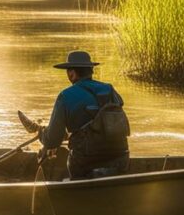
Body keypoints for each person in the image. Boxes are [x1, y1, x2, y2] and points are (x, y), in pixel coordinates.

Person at [22, 50, 129, 179]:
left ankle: (36, 127)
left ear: (72, 74)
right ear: (90, 71)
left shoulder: (65, 96)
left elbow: (52, 140)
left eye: (68, 71)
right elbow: (105, 118)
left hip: (85, 163)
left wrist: (41, 132)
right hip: (121, 159)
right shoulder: (109, 89)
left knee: (67, 158)